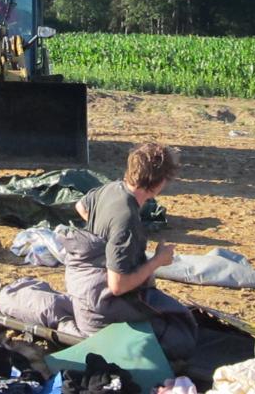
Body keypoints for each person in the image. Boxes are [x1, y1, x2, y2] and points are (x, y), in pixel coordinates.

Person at [72, 142, 197, 360]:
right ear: (158, 183)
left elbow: (81, 206)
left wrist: (104, 243)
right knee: (182, 336)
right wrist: (158, 260)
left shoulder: (110, 188)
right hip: (102, 311)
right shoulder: (126, 220)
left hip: (86, 291)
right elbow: (118, 286)